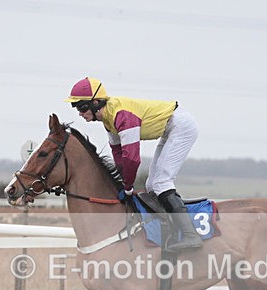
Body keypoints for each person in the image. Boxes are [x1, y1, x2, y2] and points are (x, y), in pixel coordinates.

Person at [65, 77, 202, 252]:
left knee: (161, 183)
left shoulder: (121, 116)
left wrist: (128, 186)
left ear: (96, 103)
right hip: (170, 128)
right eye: (76, 108)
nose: (80, 113)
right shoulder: (107, 119)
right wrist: (122, 182)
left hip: (181, 126)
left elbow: (131, 158)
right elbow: (118, 153)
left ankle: (191, 235)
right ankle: (170, 229)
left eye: (82, 107)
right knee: (152, 185)